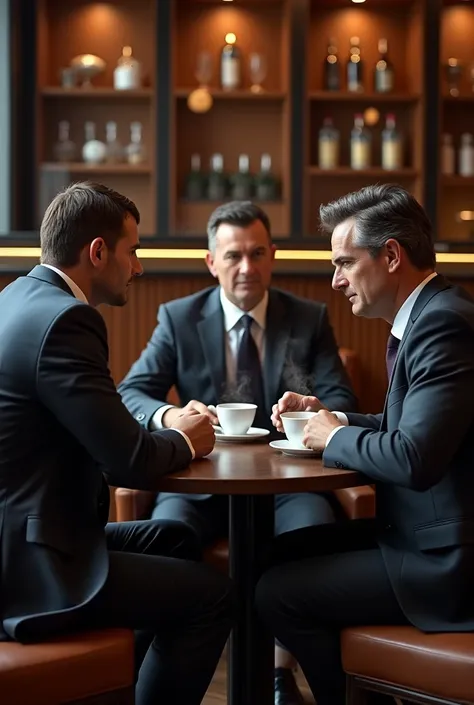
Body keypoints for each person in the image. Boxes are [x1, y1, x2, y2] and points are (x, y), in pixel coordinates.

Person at [0, 181, 235, 705]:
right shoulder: (66, 321)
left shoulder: (16, 297)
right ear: (98, 252)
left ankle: (120, 685)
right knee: (215, 597)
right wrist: (185, 438)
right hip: (31, 564)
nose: (139, 267)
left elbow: (106, 429)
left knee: (176, 538)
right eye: (133, 251)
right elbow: (128, 460)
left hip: (32, 532)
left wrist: (162, 431)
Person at [118, 199, 357, 705]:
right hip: (199, 481)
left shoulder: (308, 318)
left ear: (272, 256)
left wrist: (313, 407)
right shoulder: (179, 318)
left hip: (290, 484)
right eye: (233, 256)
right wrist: (170, 416)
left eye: (256, 254)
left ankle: (279, 672)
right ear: (211, 262)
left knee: (313, 534)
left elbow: (343, 402)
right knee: (169, 537)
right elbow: (132, 391)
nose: (246, 267)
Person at [255, 183, 474, 705]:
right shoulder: (428, 316)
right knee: (270, 557)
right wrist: (331, 417)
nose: (335, 281)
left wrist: (335, 437)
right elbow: (408, 427)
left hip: (445, 562)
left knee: (275, 593)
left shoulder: (443, 325)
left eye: (345, 264)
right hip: (415, 537)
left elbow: (415, 457)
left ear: (392, 256)